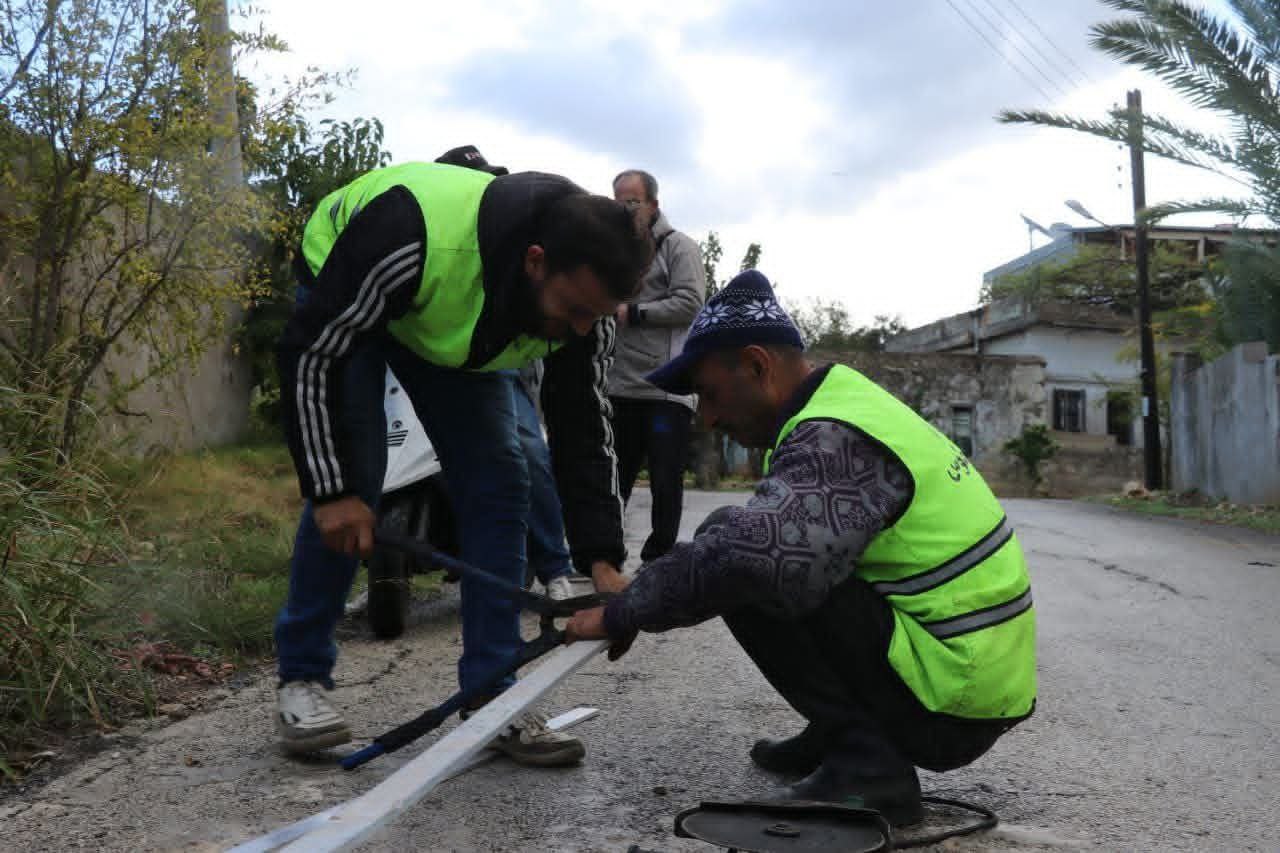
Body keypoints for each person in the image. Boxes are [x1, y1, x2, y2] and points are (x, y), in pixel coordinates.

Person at [567, 270, 1037, 826]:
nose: (707, 418)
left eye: (710, 395)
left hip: (951, 700)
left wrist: (626, 609)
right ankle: (840, 732)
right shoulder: (842, 408)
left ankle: (869, 765)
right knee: (743, 535)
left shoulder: (835, 433)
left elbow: (755, 558)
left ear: (757, 366)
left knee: (753, 559)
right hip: (966, 681)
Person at [273, 158, 650, 766]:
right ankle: (302, 677)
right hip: (348, 286)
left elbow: (584, 428)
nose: (581, 328)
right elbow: (313, 354)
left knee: (501, 483)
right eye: (573, 309)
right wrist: (330, 488)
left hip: (450, 320)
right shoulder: (410, 236)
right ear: (535, 262)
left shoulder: (586, 311)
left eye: (596, 316)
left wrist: (602, 560)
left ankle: (491, 695)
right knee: (356, 482)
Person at [435, 146, 575, 600]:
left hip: (498, 366)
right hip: (432, 361)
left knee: (527, 449)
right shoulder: (430, 242)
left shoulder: (522, 244)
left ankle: (555, 567)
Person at [607, 169, 706, 561]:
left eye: (632, 202)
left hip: (666, 389)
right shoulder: (614, 249)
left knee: (666, 480)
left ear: (653, 204)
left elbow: (691, 303)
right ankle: (605, 554)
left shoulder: (680, 247)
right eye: (617, 202)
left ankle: (659, 559)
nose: (624, 210)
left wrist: (634, 313)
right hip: (620, 385)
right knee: (614, 477)